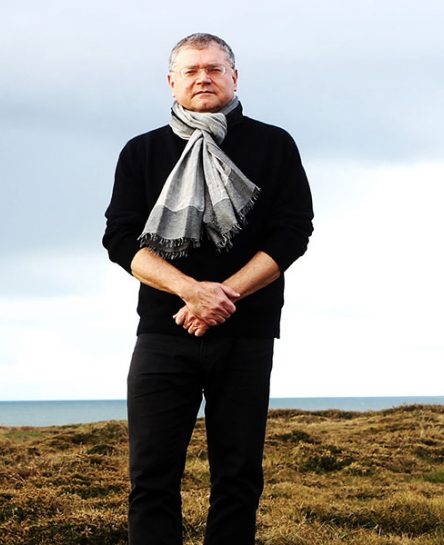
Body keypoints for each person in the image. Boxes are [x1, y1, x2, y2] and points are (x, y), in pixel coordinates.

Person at [102, 33, 314, 545]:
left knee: (238, 478)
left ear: (234, 78)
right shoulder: (142, 152)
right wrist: (190, 291)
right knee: (151, 477)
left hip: (247, 335)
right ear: (171, 81)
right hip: (163, 333)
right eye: (192, 70)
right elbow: (119, 237)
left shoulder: (273, 144)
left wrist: (223, 297)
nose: (204, 78)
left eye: (215, 69)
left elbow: (293, 232)